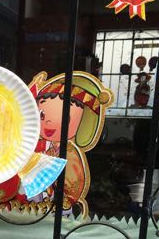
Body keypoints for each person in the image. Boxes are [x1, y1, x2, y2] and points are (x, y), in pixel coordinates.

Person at [28, 71, 113, 214]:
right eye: (42, 115)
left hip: (59, 207)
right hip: (35, 207)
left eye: (64, 118)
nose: (48, 123)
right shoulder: (38, 147)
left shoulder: (70, 155)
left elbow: (72, 186)